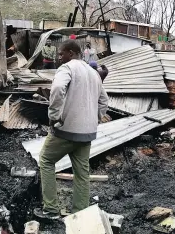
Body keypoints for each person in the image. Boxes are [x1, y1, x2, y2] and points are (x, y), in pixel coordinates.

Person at [35, 40, 108, 219]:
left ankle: (51, 209)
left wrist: (54, 116)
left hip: (66, 130)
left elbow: (58, 88)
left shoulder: (67, 69)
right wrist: (95, 118)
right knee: (82, 174)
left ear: (71, 52)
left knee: (45, 160)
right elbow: (104, 100)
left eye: (61, 54)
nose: (59, 58)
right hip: (87, 133)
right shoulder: (93, 73)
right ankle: (80, 214)